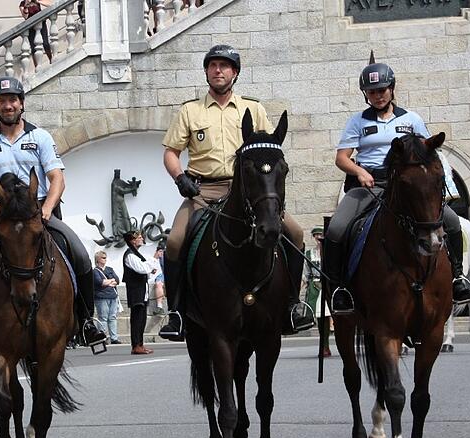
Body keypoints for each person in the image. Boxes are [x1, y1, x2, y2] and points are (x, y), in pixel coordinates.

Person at [160, 45, 314, 341]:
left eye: (224, 66)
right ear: (206, 72)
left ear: (235, 73)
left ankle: (292, 305)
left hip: (249, 191)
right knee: (175, 241)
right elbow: (171, 153)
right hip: (203, 191)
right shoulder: (190, 111)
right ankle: (176, 312)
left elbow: (270, 148)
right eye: (212, 65)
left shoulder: (253, 109)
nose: (218, 70)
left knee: (295, 233)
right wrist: (180, 178)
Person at [0, 76, 105, 360]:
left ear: (21, 103)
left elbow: (57, 179)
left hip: (38, 212)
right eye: (2, 101)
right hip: (2, 215)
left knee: (80, 254)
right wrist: (0, 214)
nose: (8, 105)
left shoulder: (41, 138)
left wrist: (47, 208)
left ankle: (87, 321)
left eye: (12, 100)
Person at [325, 55, 470, 314]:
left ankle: (458, 277)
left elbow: (428, 152)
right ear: (366, 94)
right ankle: (340, 289)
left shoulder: (412, 119)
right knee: (337, 229)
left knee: (451, 222)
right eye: (372, 92)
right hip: (371, 184)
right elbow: (342, 158)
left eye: (382, 90)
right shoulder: (357, 122)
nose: (378, 96)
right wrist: (359, 171)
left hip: (408, 187)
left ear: (392, 89)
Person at [123, 231, 155, 354]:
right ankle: (136, 345)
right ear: (132, 241)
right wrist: (154, 259)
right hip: (135, 290)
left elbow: (144, 269)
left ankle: (140, 344)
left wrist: (149, 270)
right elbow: (141, 268)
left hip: (142, 290)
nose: (142, 239)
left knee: (142, 319)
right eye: (139, 237)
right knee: (136, 319)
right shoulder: (130, 255)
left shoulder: (136, 254)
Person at [304, 226, 331, 357]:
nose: (318, 237)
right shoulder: (309, 254)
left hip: (328, 286)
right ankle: (324, 346)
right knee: (320, 318)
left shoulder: (330, 253)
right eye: (316, 235)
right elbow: (306, 273)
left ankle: (326, 345)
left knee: (328, 315)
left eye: (320, 235)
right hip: (315, 286)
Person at [93, 250, 121, 345]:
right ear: (98, 259)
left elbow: (117, 280)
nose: (105, 259)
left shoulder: (110, 269)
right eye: (103, 258)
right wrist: (110, 281)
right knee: (103, 318)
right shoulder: (95, 271)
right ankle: (103, 338)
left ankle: (114, 338)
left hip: (113, 296)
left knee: (112, 317)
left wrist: (108, 282)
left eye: (105, 258)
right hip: (101, 297)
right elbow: (100, 282)